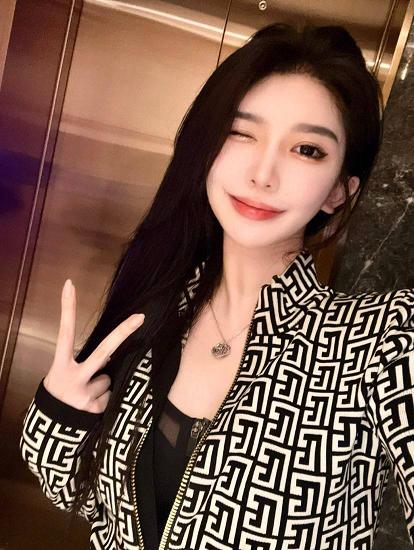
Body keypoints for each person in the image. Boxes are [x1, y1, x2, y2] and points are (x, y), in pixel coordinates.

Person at [20, 21, 414, 550]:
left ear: (339, 191)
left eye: (307, 150)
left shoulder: (382, 341)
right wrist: (59, 415)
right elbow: (85, 502)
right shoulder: (155, 312)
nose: (262, 173)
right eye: (240, 132)